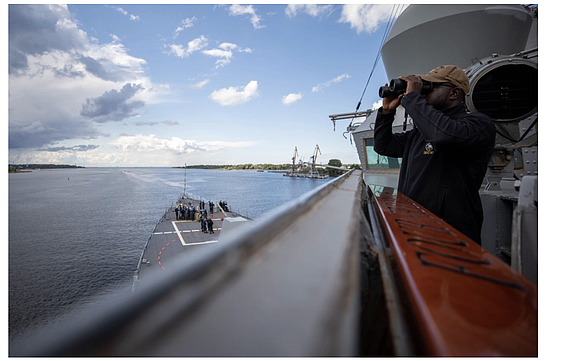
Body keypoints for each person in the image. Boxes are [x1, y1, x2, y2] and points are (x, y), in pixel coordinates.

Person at [373, 65, 495, 244]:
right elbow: (383, 146)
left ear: (454, 93)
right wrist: (386, 112)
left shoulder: (478, 124)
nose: (423, 90)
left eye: (430, 86)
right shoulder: (418, 134)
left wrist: (413, 97)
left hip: (450, 234)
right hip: (412, 226)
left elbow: (443, 134)